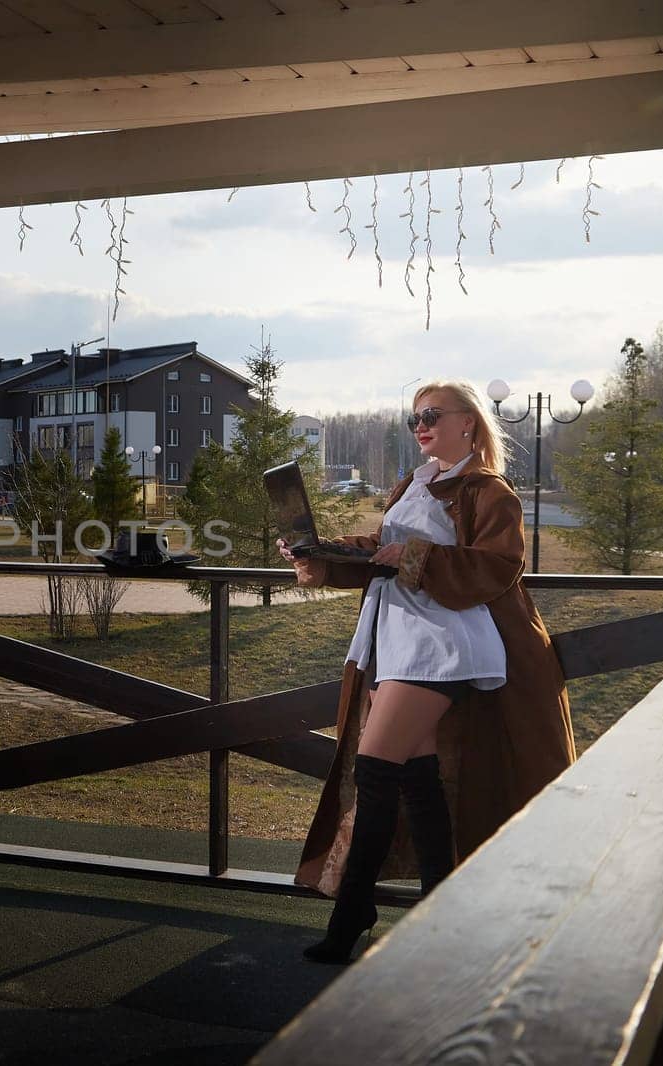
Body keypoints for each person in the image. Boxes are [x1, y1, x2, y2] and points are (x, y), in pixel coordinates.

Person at [279, 380, 574, 964]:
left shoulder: (488, 491)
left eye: (432, 415)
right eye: (414, 416)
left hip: (445, 645)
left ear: (470, 423)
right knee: (416, 780)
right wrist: (321, 550)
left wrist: (413, 558)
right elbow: (384, 546)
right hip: (400, 641)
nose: (420, 424)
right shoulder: (415, 484)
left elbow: (498, 566)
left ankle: (352, 914)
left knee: (374, 768)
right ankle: (443, 913)